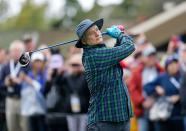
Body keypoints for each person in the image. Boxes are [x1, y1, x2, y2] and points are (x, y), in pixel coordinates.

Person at [75, 18, 135, 131]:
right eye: (91, 34)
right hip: (104, 122)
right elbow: (129, 46)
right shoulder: (93, 56)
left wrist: (118, 38)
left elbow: (116, 53)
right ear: (84, 41)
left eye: (97, 30)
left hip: (121, 117)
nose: (97, 34)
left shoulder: (102, 52)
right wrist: (120, 35)